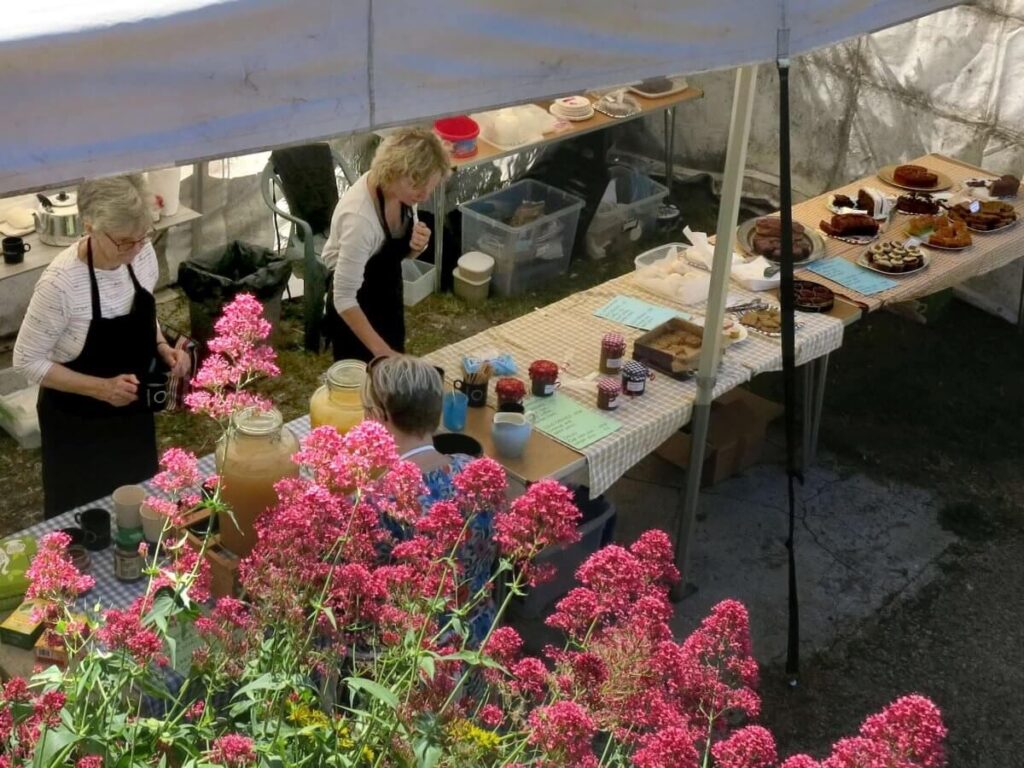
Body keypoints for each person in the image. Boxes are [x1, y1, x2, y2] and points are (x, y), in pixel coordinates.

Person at [13, 174, 190, 518]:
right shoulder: (61, 284)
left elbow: (142, 306)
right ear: (90, 225)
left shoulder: (141, 253)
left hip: (132, 413)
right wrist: (100, 388)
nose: (135, 249)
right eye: (124, 241)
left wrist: (160, 346)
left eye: (142, 238)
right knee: (84, 517)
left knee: (137, 503)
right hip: (79, 424)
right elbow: (26, 360)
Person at [361, 354, 496, 647]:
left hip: (414, 655)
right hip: (479, 635)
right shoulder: (476, 470)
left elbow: (362, 589)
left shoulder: (379, 501)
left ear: (378, 416)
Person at [322, 127, 450, 362]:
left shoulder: (403, 193)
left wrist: (415, 247)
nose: (424, 197)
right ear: (393, 171)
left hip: (388, 292)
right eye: (418, 187)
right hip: (354, 307)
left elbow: (398, 254)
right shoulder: (360, 219)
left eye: (429, 189)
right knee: (362, 382)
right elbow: (344, 298)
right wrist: (382, 351)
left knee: (390, 371)